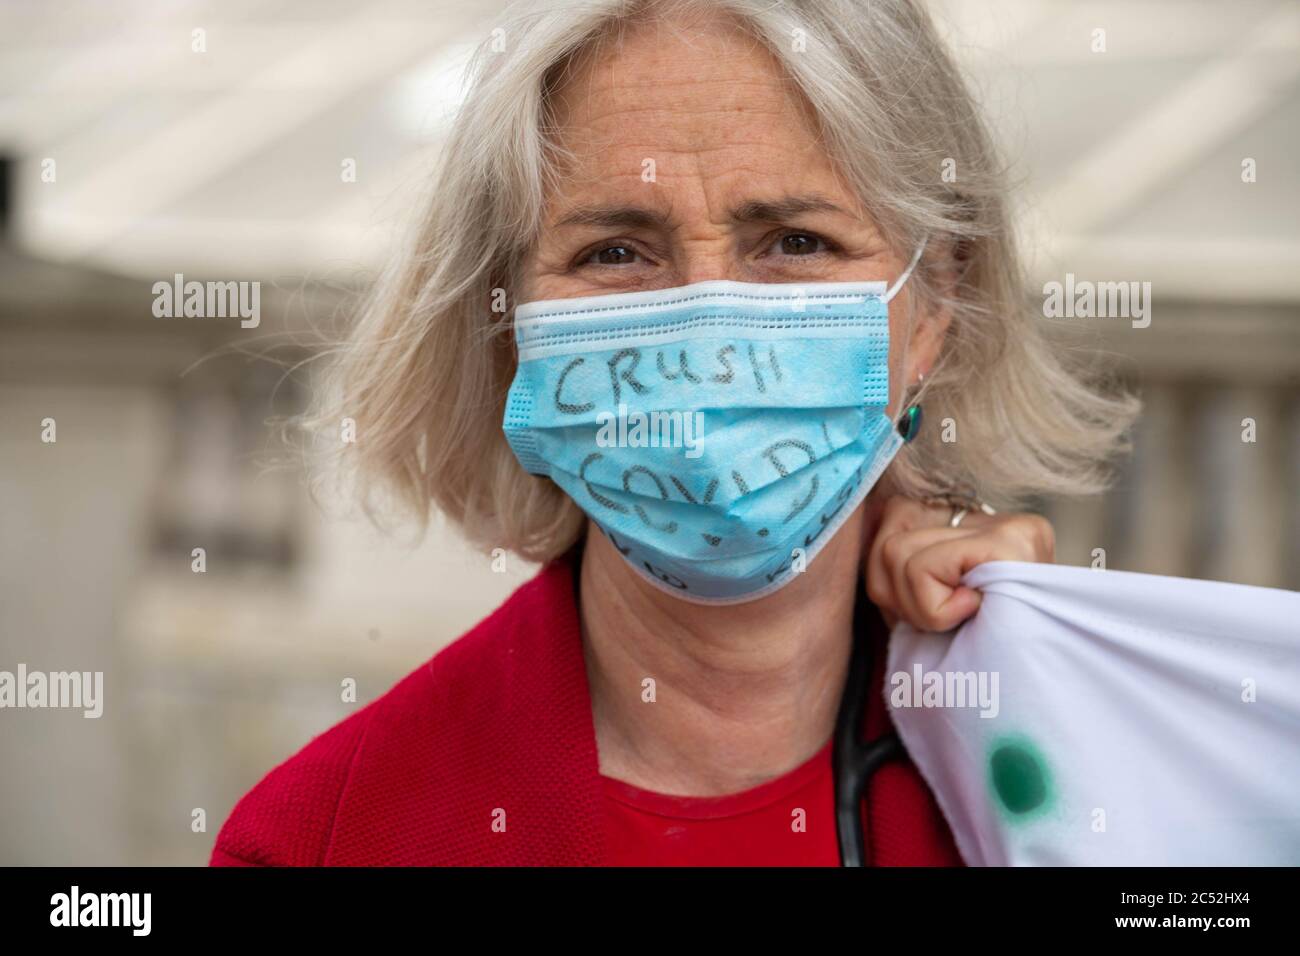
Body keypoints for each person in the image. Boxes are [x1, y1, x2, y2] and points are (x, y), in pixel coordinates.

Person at [211, 0, 1135, 867]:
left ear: (939, 303)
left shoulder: (1075, 760)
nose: (709, 335)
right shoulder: (331, 838)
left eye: (794, 242)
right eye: (615, 253)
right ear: (505, 329)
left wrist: (1025, 655)